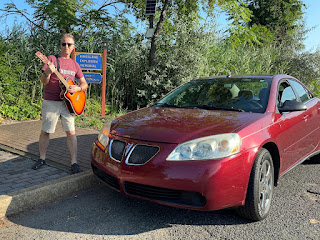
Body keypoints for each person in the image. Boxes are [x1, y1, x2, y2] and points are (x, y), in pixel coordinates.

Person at [32, 33, 88, 174]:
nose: (66, 46)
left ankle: (74, 162)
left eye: (69, 44)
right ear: (60, 45)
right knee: (46, 130)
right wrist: (47, 73)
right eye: (64, 44)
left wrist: (77, 88)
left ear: (73, 47)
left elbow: (84, 83)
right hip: (51, 101)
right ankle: (42, 158)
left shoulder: (75, 64)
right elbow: (44, 81)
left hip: (68, 103)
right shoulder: (51, 59)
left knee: (71, 132)